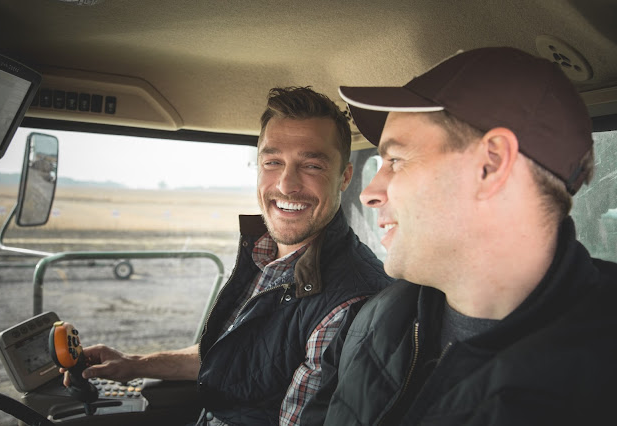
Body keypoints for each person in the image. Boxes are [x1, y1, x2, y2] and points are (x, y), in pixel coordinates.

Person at [300, 47, 617, 425]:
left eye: (396, 160)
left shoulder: (596, 381)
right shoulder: (374, 321)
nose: (371, 192)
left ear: (491, 165)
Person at [62, 86, 393, 425]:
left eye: (311, 165)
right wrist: (133, 364)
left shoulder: (348, 303)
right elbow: (235, 360)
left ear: (345, 177)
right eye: (272, 162)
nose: (285, 184)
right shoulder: (265, 256)